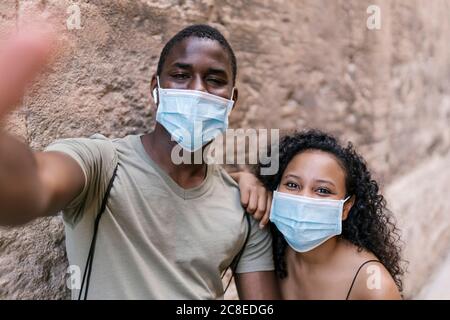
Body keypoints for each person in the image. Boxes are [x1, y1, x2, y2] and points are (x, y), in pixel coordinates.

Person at [0, 24, 278, 299]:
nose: (197, 91)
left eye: (215, 80)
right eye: (181, 75)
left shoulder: (244, 204)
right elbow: (31, 189)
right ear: (155, 89)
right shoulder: (101, 164)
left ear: (232, 99)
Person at [255, 130, 404, 299]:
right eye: (292, 184)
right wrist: (243, 178)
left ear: (346, 207)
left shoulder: (374, 286)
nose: (304, 200)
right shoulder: (273, 248)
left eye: (322, 190)